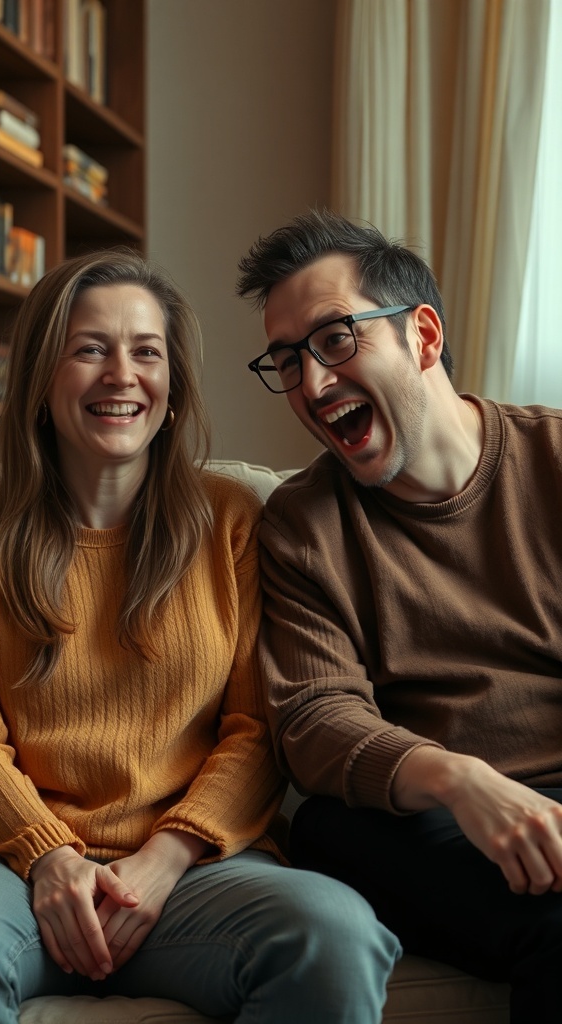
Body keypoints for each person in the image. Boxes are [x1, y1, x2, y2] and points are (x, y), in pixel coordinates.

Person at [0, 248, 401, 1024]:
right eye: (90, 349)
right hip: (12, 872)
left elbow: (259, 729)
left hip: (192, 873)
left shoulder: (233, 521)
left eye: (146, 352)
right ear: (42, 379)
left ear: (172, 387)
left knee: (336, 935)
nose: (122, 375)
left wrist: (165, 857)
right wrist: (46, 855)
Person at [237, 208, 562, 1024]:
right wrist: (461, 779)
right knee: (329, 831)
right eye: (288, 360)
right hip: (434, 819)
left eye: (335, 339)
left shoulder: (554, 463)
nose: (312, 385)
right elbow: (315, 720)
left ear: (422, 335)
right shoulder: (301, 525)